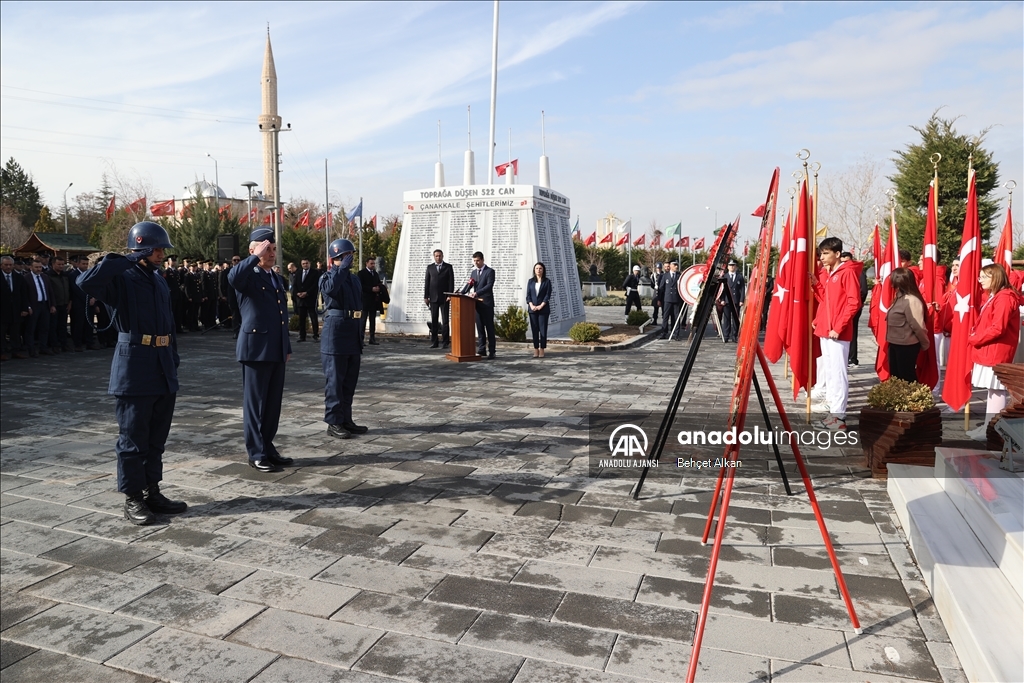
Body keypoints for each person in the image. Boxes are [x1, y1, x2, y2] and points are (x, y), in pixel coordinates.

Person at [77, 222, 187, 525]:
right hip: (135, 366)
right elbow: (87, 283)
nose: (163, 254)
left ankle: (153, 491)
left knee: (156, 438)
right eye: (157, 248)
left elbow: (169, 325)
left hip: (163, 365)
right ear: (142, 247)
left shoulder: (159, 280)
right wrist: (124, 258)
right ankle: (133, 497)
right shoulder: (123, 278)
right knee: (133, 438)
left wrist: (173, 359)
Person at [228, 227, 293, 473]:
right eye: (266, 249)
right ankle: (256, 452)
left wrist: (285, 346)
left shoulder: (274, 277)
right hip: (255, 349)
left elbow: (281, 317)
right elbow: (233, 277)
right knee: (255, 404)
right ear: (252, 250)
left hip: (275, 348)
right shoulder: (248, 274)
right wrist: (256, 256)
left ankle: (267, 446)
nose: (271, 253)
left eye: (273, 249)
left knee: (272, 403)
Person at [965, 264, 1021, 440]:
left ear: (994, 277)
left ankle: (994, 430)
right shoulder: (998, 296)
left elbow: (998, 328)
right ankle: (990, 428)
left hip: (996, 350)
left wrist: (975, 338)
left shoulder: (1004, 297)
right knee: (993, 390)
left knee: (996, 390)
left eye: (983, 276)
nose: (980, 280)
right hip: (992, 349)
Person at [811, 237, 862, 431]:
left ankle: (839, 416)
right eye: (822, 254)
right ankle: (833, 410)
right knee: (831, 371)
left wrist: (838, 326)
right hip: (826, 329)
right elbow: (827, 300)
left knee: (839, 373)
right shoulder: (831, 273)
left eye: (826, 253)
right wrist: (816, 285)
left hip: (837, 332)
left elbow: (853, 302)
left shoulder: (847, 273)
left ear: (837, 254)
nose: (822, 257)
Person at [320, 239, 366, 439]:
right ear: (337, 257)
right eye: (348, 255)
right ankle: (333, 421)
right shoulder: (328, 276)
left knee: (349, 381)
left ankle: (346, 419)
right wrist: (341, 270)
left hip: (352, 331)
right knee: (335, 381)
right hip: (336, 333)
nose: (351, 259)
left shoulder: (354, 278)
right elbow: (330, 291)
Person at [885, 268, 930, 382]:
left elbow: (918, 326)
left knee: (907, 376)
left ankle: (913, 399)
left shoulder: (912, 300)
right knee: (896, 377)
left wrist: (925, 344)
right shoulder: (899, 298)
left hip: (907, 346)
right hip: (894, 343)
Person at [461, 251, 496, 359]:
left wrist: (477, 293)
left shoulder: (490, 271)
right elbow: (470, 284)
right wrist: (460, 293)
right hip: (477, 304)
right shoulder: (473, 273)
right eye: (474, 261)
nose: (476, 263)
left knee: (489, 328)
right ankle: (481, 349)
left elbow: (489, 286)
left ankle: (492, 350)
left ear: (482, 260)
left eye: (478, 261)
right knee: (480, 328)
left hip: (487, 303)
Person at [840, 252, 868, 366]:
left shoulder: (858, 272)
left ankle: (852, 357)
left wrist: (858, 303)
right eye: (842, 262)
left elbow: (863, 290)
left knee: (852, 331)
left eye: (846, 261)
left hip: (854, 307)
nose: (844, 264)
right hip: (844, 307)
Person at [24, 260, 56, 357]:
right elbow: (24, 295)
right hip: (34, 306)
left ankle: (43, 347)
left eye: (40, 267)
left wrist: (52, 305)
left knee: (45, 327)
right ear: (31, 267)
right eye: (36, 267)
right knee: (31, 329)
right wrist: (28, 306)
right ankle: (31, 349)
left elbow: (50, 292)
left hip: (45, 305)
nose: (38, 269)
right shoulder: (26, 278)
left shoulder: (45, 277)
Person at [1, 255, 30, 360]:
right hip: (2, 310)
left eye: (10, 265)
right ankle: (2, 352)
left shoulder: (18, 277)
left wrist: (24, 308)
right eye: (6, 265)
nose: (8, 267)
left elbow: (24, 294)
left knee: (15, 332)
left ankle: (16, 351)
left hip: (16, 310)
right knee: (2, 332)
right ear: (1, 265)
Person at [424, 249, 454, 348]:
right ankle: (434, 342)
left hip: (445, 298)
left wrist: (450, 295)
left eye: (440, 256)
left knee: (445, 321)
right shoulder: (430, 268)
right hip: (433, 298)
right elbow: (427, 283)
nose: (438, 257)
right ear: (434, 257)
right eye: (436, 256)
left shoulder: (448, 267)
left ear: (443, 256)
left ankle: (445, 342)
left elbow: (451, 283)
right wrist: (426, 296)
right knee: (434, 320)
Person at [526, 261, 551, 358]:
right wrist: (531, 305)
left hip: (543, 309)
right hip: (532, 309)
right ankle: (535, 348)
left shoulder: (547, 281)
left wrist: (541, 305)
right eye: (537, 268)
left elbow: (547, 295)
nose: (538, 270)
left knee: (543, 330)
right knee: (534, 330)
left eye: (540, 268)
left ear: (543, 270)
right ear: (534, 270)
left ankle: (542, 349)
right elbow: (528, 295)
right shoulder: (530, 281)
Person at [47, 257, 72, 353]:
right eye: (59, 264)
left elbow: (69, 289)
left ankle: (63, 344)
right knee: (53, 326)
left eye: (63, 264)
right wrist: (52, 305)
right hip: (55, 305)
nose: (61, 266)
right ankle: (54, 345)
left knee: (63, 325)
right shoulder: (48, 275)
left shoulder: (65, 275)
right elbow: (49, 292)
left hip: (65, 304)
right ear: (53, 264)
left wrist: (70, 302)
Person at [717, 260, 745, 343]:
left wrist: (741, 300)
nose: (732, 267)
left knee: (735, 320)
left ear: (736, 266)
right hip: (727, 301)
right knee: (726, 319)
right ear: (728, 267)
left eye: (733, 265)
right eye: (730, 265)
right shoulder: (724, 276)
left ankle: (735, 336)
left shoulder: (739, 277)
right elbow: (721, 290)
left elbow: (742, 289)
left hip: (736, 301)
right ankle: (726, 336)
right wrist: (722, 299)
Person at [357, 256, 382, 345]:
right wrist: (371, 289)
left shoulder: (375, 273)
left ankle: (372, 338)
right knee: (363, 320)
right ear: (366, 263)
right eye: (371, 263)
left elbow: (378, 282)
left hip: (374, 300)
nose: (373, 265)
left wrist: (380, 287)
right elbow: (360, 286)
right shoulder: (361, 273)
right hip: (365, 300)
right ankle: (361, 339)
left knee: (373, 320)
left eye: (374, 263)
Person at [294, 258, 320, 342]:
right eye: (303, 263)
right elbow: (295, 284)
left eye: (306, 263)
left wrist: (307, 293)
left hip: (310, 299)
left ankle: (315, 335)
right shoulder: (298, 273)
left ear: (309, 263)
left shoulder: (315, 273)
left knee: (313, 318)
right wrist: (297, 293)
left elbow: (315, 285)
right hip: (301, 300)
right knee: (302, 319)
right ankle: (302, 336)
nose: (305, 265)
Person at [659, 260, 682, 340]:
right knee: (665, 317)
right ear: (671, 266)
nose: (676, 266)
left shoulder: (679, 275)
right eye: (674, 265)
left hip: (676, 299)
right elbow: (661, 287)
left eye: (677, 265)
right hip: (667, 299)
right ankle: (664, 333)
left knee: (676, 317)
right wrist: (660, 298)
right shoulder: (665, 276)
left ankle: (676, 334)